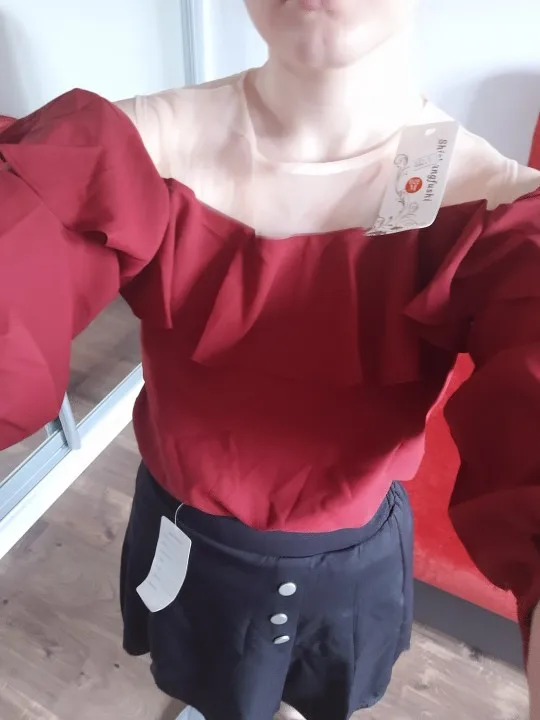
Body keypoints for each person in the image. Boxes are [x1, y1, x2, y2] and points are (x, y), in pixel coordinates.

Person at [1, 1, 540, 718]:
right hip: (189, 540)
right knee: (213, 689)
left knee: (319, 694)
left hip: (352, 563)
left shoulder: (503, 212)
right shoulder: (117, 150)